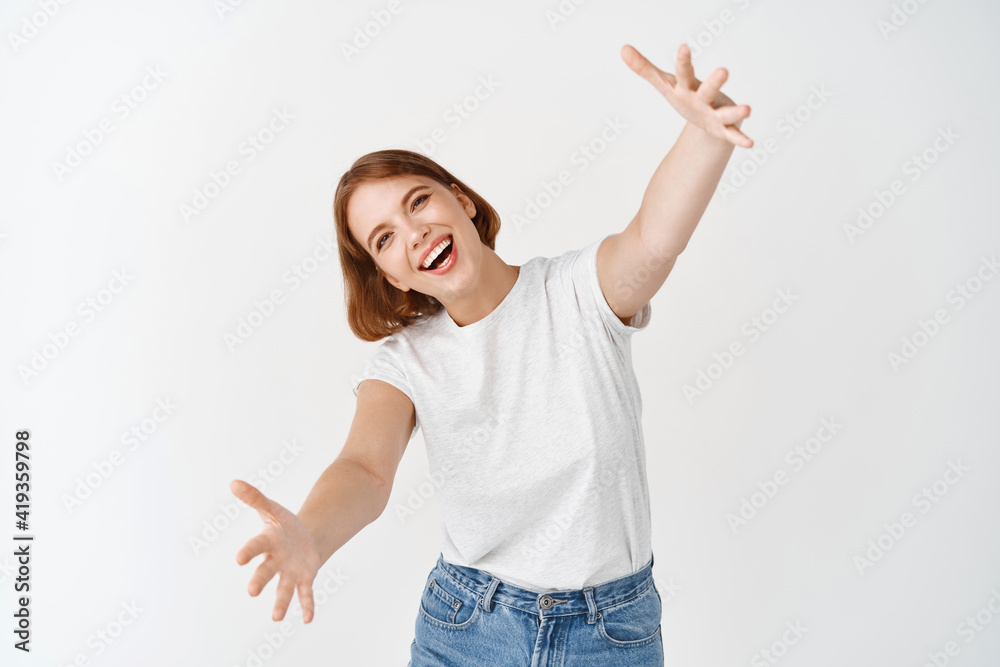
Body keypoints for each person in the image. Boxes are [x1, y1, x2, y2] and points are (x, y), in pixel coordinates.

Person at [230, 42, 752, 665]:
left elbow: (654, 240)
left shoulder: (580, 292)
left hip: (611, 633)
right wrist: (312, 533)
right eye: (385, 238)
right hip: (468, 628)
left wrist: (704, 135)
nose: (414, 232)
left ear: (463, 201)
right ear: (392, 276)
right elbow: (364, 469)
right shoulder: (405, 362)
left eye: (418, 201)